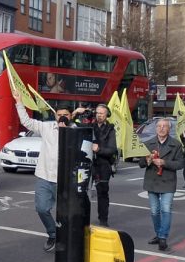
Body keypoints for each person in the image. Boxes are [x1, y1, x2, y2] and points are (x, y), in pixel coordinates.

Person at [14, 90, 84, 251]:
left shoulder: (76, 130)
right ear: (55, 115)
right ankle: (53, 234)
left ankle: (68, 237)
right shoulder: (46, 127)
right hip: (44, 176)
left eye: (65, 114)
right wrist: (19, 102)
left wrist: (70, 124)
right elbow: (26, 121)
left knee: (67, 213)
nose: (62, 117)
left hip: (66, 180)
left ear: (70, 115)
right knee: (42, 208)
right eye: (59, 114)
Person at [140, 118, 184, 251]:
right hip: (152, 181)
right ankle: (159, 234)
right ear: (156, 128)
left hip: (168, 181)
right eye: (159, 126)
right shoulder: (148, 143)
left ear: (169, 129)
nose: (161, 128)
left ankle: (163, 237)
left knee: (166, 210)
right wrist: (147, 160)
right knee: (154, 211)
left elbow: (180, 164)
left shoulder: (176, 144)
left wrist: (165, 163)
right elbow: (141, 163)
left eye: (165, 126)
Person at [91, 104, 118, 227]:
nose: (99, 115)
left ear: (107, 115)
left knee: (102, 193)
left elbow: (112, 149)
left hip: (103, 165)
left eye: (101, 113)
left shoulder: (110, 129)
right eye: (97, 113)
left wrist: (98, 149)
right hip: (88, 163)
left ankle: (103, 220)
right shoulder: (90, 126)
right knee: (82, 192)